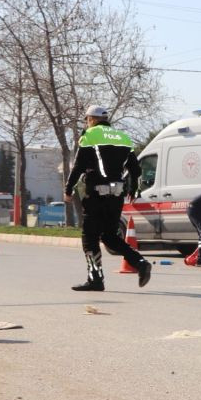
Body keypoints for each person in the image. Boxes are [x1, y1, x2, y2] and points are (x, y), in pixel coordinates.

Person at [64, 105, 152, 291]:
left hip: (96, 195)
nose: (86, 123)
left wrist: (68, 189)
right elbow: (135, 169)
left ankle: (95, 279)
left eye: (87, 120)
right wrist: (133, 188)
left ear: (92, 119)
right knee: (110, 236)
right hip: (116, 195)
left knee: (89, 237)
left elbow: (78, 166)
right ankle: (140, 262)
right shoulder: (123, 137)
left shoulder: (89, 136)